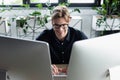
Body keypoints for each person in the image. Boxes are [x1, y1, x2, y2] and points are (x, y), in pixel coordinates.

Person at [36, 5, 88, 75]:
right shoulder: (44, 37)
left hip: (74, 74)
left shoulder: (79, 36)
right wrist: (46, 67)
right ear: (52, 22)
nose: (60, 30)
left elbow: (88, 57)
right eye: (56, 25)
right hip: (51, 75)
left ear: (69, 21)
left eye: (63, 25)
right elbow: (35, 58)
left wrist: (77, 67)